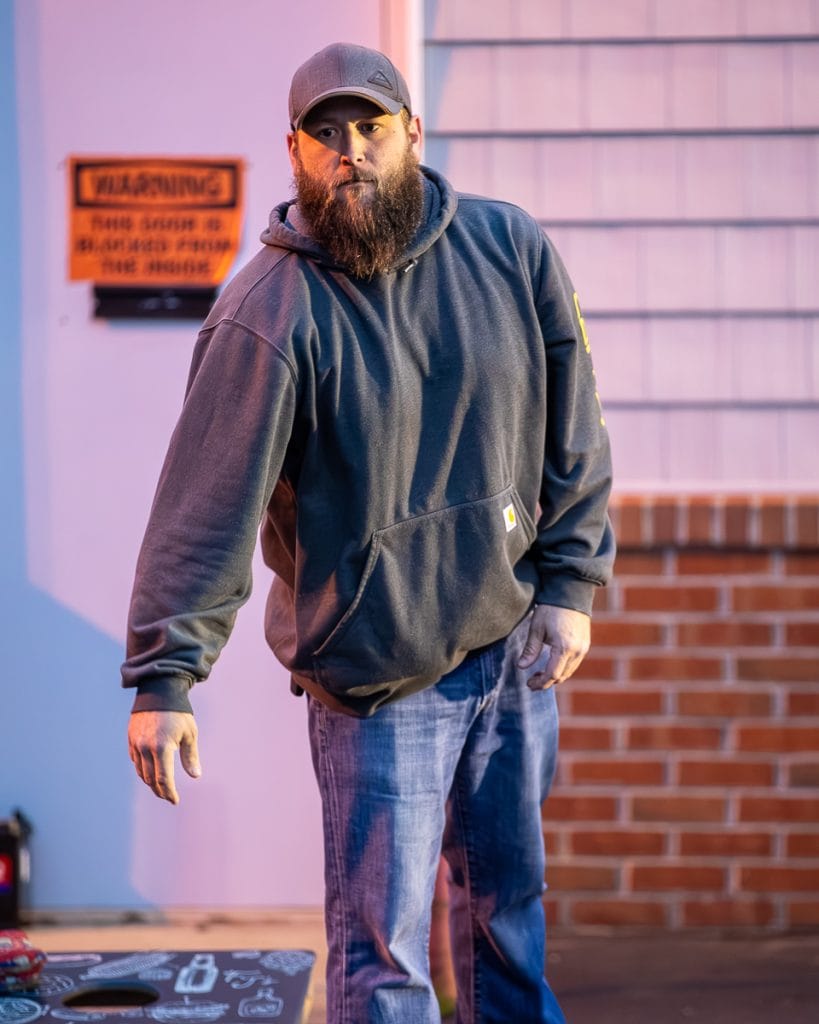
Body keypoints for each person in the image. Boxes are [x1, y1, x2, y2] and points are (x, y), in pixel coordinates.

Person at [123, 41, 615, 1024]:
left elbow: (575, 424)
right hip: (378, 680)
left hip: (510, 644)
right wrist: (165, 677)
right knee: (384, 952)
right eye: (325, 132)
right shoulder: (269, 312)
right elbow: (204, 501)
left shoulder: (508, 249)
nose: (349, 148)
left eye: (370, 125)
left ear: (412, 133)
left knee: (509, 920)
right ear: (295, 152)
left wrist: (569, 583)